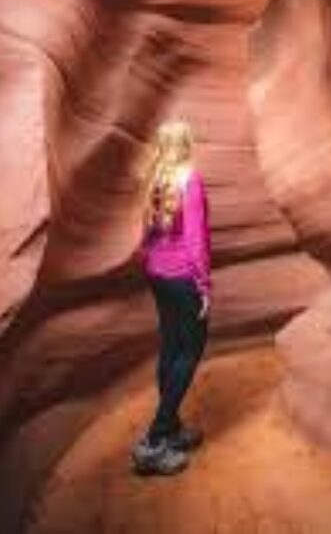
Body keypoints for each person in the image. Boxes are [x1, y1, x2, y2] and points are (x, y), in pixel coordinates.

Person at [131, 118, 212, 476]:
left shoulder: (155, 178)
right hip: (182, 276)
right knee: (190, 350)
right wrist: (204, 286)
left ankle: (173, 428)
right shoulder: (189, 179)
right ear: (187, 143)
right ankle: (155, 439)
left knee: (170, 346)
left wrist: (151, 262)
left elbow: (147, 234)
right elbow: (196, 239)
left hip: (158, 274)